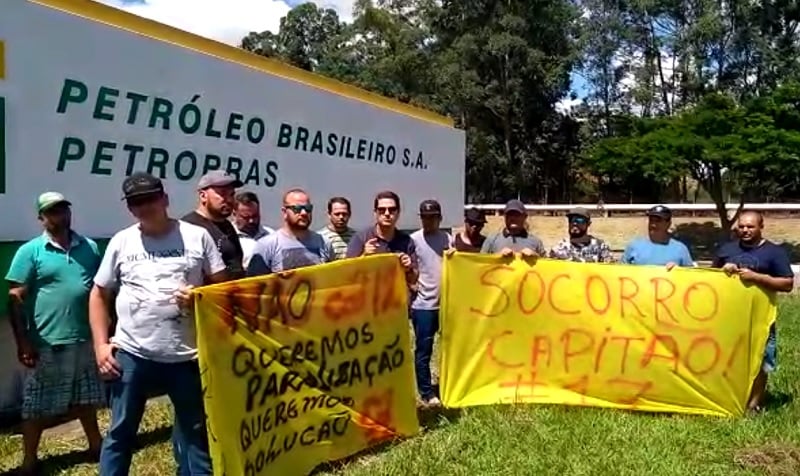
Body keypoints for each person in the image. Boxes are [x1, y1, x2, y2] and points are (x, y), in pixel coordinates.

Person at [89, 172, 227, 475]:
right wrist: (100, 345)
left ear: (164, 199)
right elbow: (99, 293)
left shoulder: (197, 236)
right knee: (120, 432)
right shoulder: (122, 241)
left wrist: (199, 297)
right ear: (129, 208)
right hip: (132, 353)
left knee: (195, 433)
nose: (144, 206)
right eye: (136, 202)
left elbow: (222, 289)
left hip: (186, 356)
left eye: (150, 198)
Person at [6, 192, 104, 475]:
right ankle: (29, 460)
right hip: (48, 342)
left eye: (62, 208)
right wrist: (23, 341)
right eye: (51, 211)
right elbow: (14, 298)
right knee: (36, 406)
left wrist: (104, 331)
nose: (59, 214)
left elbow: (99, 290)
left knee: (86, 397)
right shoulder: (30, 251)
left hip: (85, 338)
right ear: (41, 218)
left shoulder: (89, 246)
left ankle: (96, 445)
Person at [712, 210, 794, 411]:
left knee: (761, 361)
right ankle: (727, 399)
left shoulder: (774, 252)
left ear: (761, 227)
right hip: (728, 316)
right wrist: (723, 271)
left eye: (750, 226)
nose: (745, 230)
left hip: (760, 318)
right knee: (727, 358)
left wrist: (756, 277)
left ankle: (754, 405)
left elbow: (787, 284)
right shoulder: (726, 250)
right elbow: (710, 277)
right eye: (741, 226)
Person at [409, 200, 450, 407]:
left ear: (440, 218)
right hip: (423, 306)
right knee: (424, 351)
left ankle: (448, 386)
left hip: (446, 306)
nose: (429, 220)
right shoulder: (413, 240)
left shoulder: (447, 238)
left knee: (449, 348)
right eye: (425, 216)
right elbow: (407, 267)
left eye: (433, 216)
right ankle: (426, 393)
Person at [247, 188, 335, 275]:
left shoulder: (324, 243)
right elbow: (255, 286)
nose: (304, 213)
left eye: (308, 208)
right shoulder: (267, 245)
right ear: (284, 212)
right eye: (297, 208)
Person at [182, 170, 245, 280]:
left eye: (232, 194)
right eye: (223, 194)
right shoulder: (189, 227)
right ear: (203, 196)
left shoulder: (228, 226)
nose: (229, 200)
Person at [345, 191, 418, 287]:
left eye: (392, 210)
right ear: (375, 213)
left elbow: (413, 280)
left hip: (396, 299)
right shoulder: (361, 238)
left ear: (398, 212)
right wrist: (364, 256)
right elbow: (347, 275)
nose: (387, 213)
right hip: (368, 299)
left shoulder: (406, 241)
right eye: (382, 210)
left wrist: (408, 269)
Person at [621, 205, 694, 269]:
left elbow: (692, 278)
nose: (653, 224)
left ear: (668, 224)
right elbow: (620, 272)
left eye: (658, 221)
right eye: (651, 220)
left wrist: (679, 271)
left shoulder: (680, 249)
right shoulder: (634, 246)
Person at [480, 199, 545, 257]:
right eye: (510, 215)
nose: (513, 218)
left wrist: (535, 256)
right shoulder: (492, 240)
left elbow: (546, 265)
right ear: (505, 217)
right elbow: (480, 263)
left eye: (517, 215)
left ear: (525, 217)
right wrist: (498, 256)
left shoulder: (536, 242)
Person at [549, 207, 613, 262]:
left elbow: (609, 270)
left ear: (588, 224)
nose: (574, 223)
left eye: (579, 220)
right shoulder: (559, 248)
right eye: (571, 220)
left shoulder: (600, 247)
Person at [232, 191, 275, 268]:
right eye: (246, 217)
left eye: (255, 216)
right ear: (235, 214)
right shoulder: (227, 237)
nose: (251, 221)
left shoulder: (271, 235)